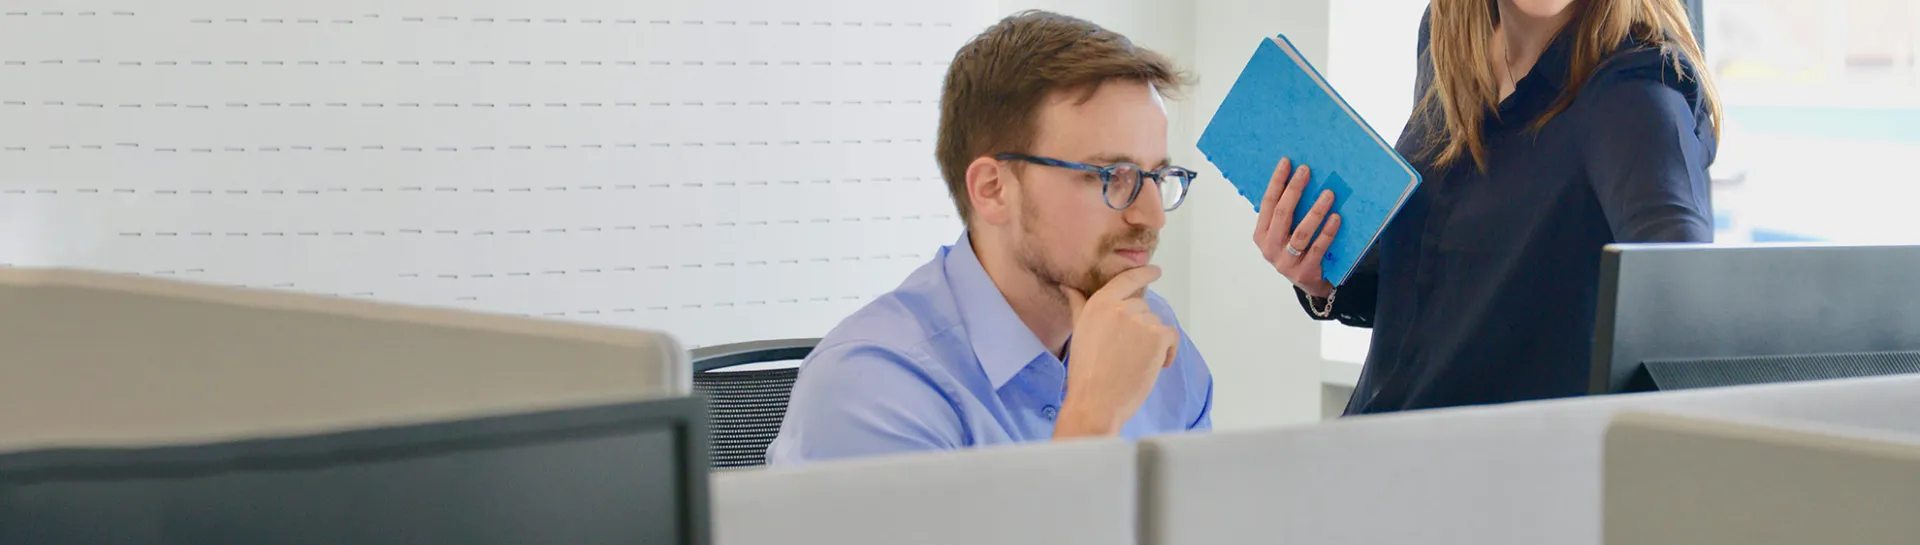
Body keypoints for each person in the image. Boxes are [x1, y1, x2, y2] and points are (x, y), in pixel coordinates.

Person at [766, 10, 1213, 465]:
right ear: (993, 190)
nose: (1153, 215)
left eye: (1157, 176)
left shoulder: (1152, 336)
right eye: (1113, 177)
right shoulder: (869, 390)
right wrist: (1093, 418)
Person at [1256, 0, 1721, 414]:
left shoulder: (1634, 90)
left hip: (1499, 483)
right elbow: (1443, 282)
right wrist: (1324, 280)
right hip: (1378, 452)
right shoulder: (1450, 42)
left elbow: (1684, 315)